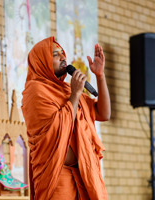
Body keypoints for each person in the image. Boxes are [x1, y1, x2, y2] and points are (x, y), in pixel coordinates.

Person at [22, 37, 111, 199]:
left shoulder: (67, 90)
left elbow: (104, 113)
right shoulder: (35, 91)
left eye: (63, 53)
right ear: (41, 61)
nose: (63, 57)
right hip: (56, 177)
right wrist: (75, 95)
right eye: (55, 54)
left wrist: (100, 76)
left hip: (84, 175)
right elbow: (55, 130)